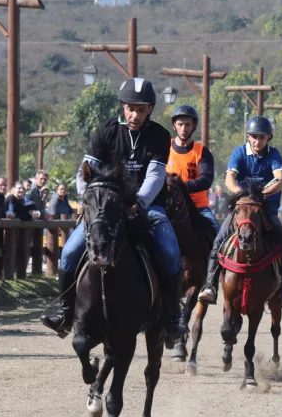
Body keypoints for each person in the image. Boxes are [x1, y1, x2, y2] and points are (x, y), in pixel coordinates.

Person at [41, 77, 186, 337]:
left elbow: (155, 176)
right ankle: (64, 310)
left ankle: (172, 314)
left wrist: (138, 203)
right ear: (123, 107)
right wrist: (88, 202)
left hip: (147, 206)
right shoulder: (104, 131)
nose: (135, 114)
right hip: (105, 207)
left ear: (150, 109)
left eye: (141, 109)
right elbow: (85, 172)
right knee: (70, 253)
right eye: (130, 108)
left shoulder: (159, 136)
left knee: (169, 250)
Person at [197, 116, 282, 309]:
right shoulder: (239, 153)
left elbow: (280, 179)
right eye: (253, 136)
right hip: (241, 211)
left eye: (262, 137)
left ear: (269, 137)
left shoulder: (274, 155)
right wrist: (244, 196)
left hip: (266, 211)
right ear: (248, 136)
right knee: (218, 241)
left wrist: (261, 195)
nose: (257, 141)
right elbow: (229, 180)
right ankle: (210, 286)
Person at [165, 104, 220, 233]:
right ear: (174, 126)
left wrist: (180, 187)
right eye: (180, 124)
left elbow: (206, 179)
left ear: (193, 127)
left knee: (217, 236)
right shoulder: (164, 147)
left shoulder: (202, 152)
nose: (183, 128)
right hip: (169, 205)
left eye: (188, 125)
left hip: (198, 207)